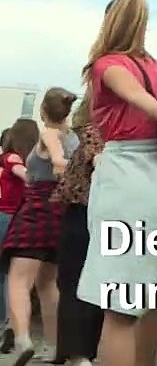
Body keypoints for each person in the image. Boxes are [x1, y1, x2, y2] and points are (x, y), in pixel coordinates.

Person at [79, 0, 157, 366]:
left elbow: (130, 91)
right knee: (151, 302)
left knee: (119, 309)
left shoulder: (106, 64)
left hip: (128, 182)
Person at [1, 88, 80, 366]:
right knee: (48, 283)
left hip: (37, 209)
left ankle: (22, 338)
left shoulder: (49, 133)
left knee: (18, 279)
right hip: (61, 213)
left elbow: (58, 161)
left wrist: (60, 164)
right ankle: (56, 345)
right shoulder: (75, 138)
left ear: (43, 111)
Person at [53, 94, 106, 365]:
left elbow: (97, 160)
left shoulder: (91, 132)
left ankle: (77, 353)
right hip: (104, 212)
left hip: (82, 212)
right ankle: (82, 351)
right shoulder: (111, 134)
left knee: (73, 281)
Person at [0, 122, 37, 355]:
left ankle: (7, 327)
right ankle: (11, 327)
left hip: (5, 217)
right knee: (13, 277)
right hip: (20, 217)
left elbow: (24, 175)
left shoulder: (9, 157)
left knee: (7, 276)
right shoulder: (19, 159)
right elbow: (26, 176)